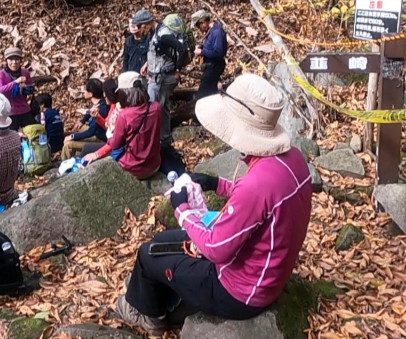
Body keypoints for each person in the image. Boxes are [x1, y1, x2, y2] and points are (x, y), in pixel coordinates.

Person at [115, 74, 313, 333]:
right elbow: (261, 204)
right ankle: (165, 295)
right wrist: (214, 183)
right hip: (265, 271)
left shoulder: (257, 184)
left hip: (239, 292)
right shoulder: (294, 159)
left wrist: (182, 209)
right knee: (165, 241)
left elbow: (215, 248)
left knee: (147, 254)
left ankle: (151, 317)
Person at [81, 74, 161, 180]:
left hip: (131, 168)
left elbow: (115, 144)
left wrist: (97, 154)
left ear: (125, 93)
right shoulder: (156, 107)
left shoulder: (124, 116)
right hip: (154, 166)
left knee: (86, 156)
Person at [142, 14, 190, 174]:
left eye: (142, 26)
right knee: (162, 108)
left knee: (153, 108)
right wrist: (147, 64)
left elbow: (182, 49)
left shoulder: (163, 34)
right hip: (158, 76)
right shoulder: (157, 32)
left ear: (148, 22)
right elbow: (160, 53)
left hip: (162, 78)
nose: (141, 30)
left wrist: (177, 70)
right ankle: (165, 138)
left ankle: (153, 143)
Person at [62, 78, 110, 158]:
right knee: (79, 128)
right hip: (96, 132)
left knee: (68, 144)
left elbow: (90, 132)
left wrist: (72, 136)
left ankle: (65, 164)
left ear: (91, 94)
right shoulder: (100, 102)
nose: (83, 92)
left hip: (100, 138)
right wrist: (82, 121)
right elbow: (89, 112)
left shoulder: (101, 109)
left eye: (85, 90)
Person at [0, 47, 37, 130]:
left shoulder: (24, 72)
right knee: (10, 138)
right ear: (6, 60)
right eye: (10, 59)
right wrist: (15, 82)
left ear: (20, 60)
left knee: (35, 133)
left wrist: (28, 89)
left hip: (24, 109)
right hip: (10, 113)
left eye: (17, 59)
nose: (14, 62)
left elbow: (30, 87)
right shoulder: (1, 74)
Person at [190, 10, 228, 99]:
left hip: (214, 67)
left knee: (203, 95)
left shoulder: (217, 32)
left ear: (203, 22)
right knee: (211, 93)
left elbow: (218, 53)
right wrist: (201, 47)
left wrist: (202, 52)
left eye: (198, 26)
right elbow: (211, 46)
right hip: (210, 66)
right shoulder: (211, 31)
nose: (199, 28)